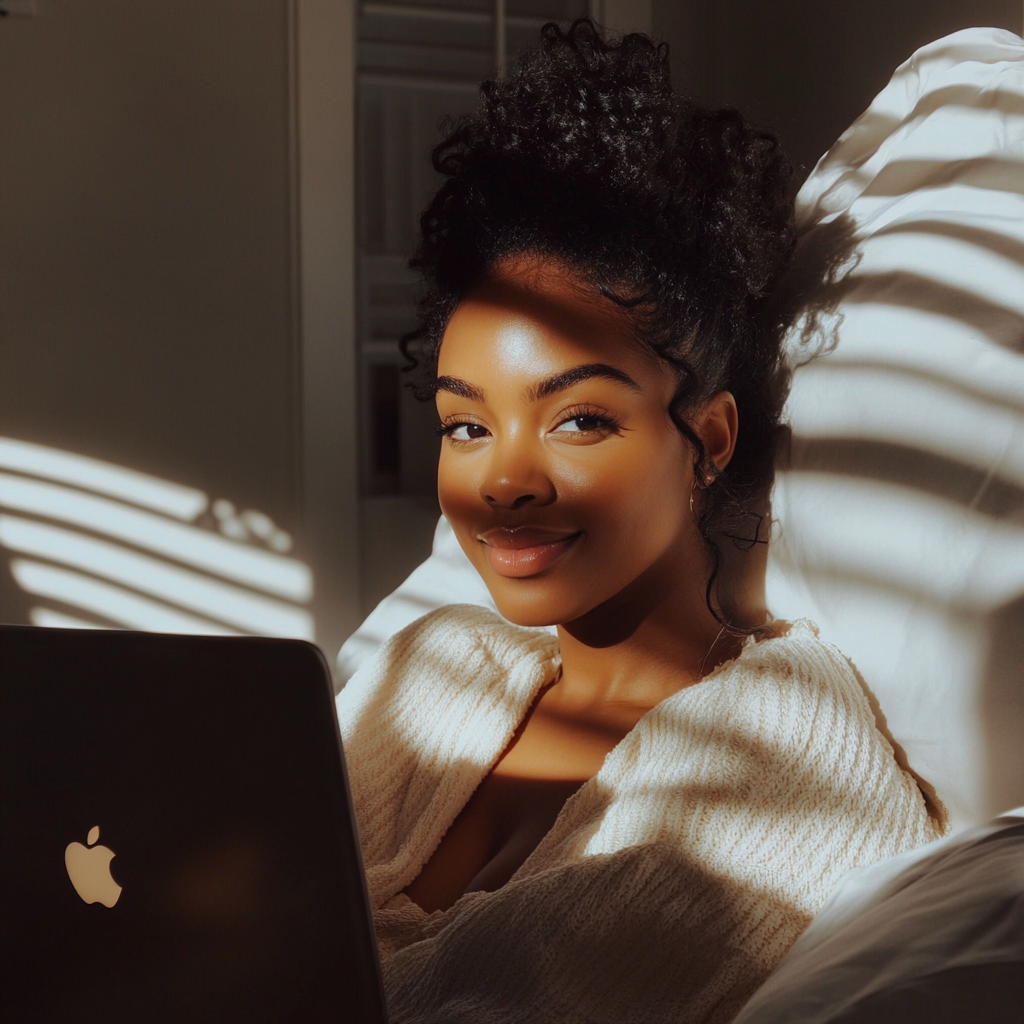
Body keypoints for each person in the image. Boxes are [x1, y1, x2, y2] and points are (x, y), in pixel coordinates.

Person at [336, 19, 946, 1023]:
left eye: (578, 417)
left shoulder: (789, 738)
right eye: (464, 424)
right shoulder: (431, 660)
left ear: (707, 439)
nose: (503, 482)